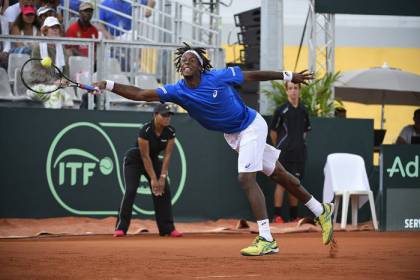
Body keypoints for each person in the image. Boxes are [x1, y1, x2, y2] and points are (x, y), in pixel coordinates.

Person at [93, 43, 334, 256]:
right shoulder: (177, 90)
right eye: (183, 60)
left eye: (191, 60)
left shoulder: (218, 77)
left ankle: (266, 238)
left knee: (246, 179)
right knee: (278, 174)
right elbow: (140, 93)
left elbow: (253, 75)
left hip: (251, 125)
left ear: (200, 66)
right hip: (234, 136)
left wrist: (287, 74)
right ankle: (320, 209)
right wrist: (108, 84)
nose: (186, 62)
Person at [114, 103, 183, 238]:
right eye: (164, 115)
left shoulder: (170, 131)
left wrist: (162, 177)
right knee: (131, 190)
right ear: (155, 115)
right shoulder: (145, 130)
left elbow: (167, 155)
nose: (167, 118)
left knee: (165, 190)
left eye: (169, 115)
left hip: (153, 159)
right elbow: (144, 157)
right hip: (135, 159)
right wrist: (153, 179)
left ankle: (167, 228)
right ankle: (121, 227)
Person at [269, 81, 311, 224]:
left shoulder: (304, 110)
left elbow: (305, 132)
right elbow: (273, 132)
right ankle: (277, 216)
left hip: (299, 153)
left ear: (299, 90)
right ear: (286, 91)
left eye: (296, 88)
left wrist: (298, 144)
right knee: (281, 183)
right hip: (283, 153)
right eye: (291, 88)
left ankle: (294, 217)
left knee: (295, 184)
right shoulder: (280, 110)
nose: (293, 91)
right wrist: (280, 147)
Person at [26, 16, 73, 108]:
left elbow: (66, 71)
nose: (56, 30)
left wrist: (64, 80)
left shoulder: (62, 49)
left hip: (56, 87)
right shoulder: (37, 48)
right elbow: (36, 72)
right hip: (36, 87)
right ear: (45, 31)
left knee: (67, 100)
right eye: (52, 28)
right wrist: (54, 82)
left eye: (57, 28)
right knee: (57, 93)